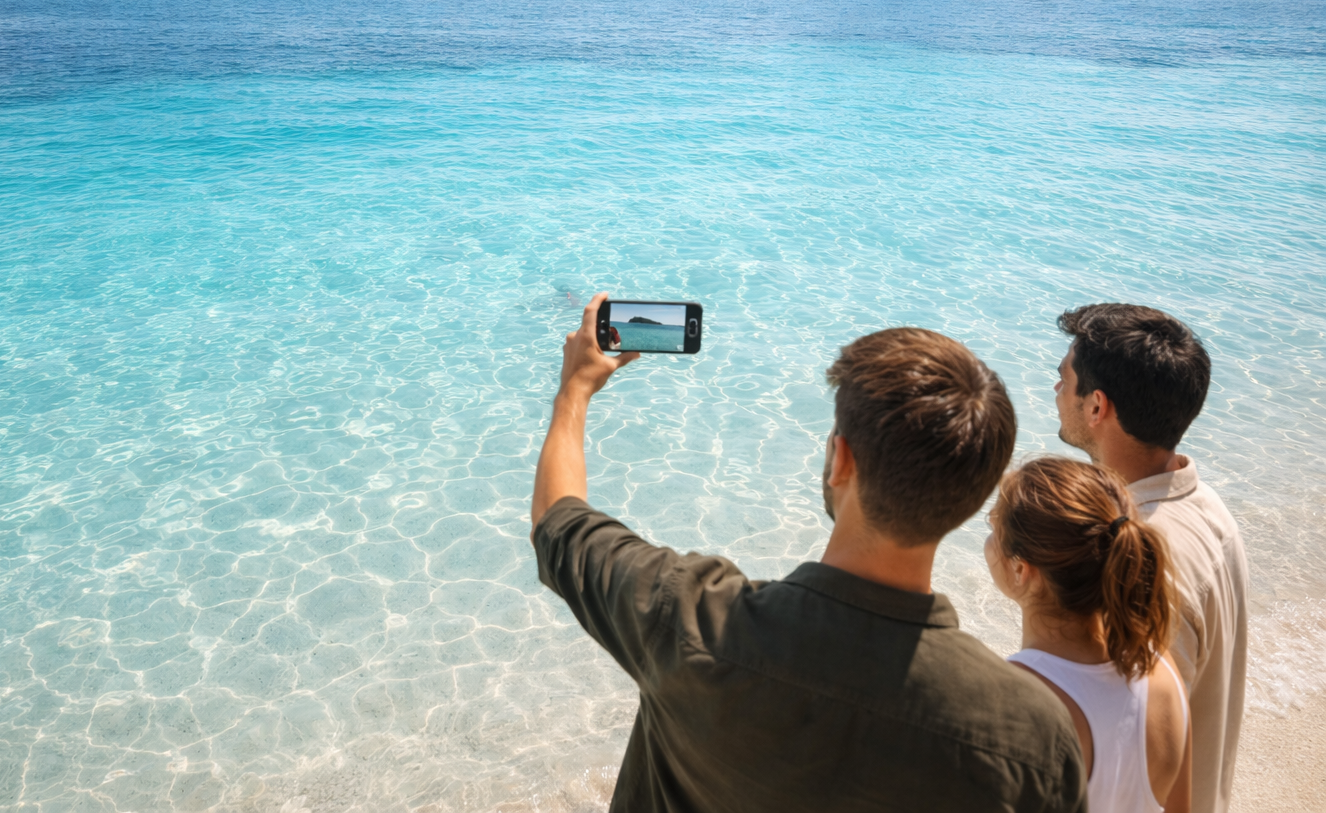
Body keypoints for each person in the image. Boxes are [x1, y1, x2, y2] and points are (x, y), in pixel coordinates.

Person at [530, 293, 1087, 813]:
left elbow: (559, 524)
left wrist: (574, 393)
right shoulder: (1033, 739)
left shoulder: (689, 617)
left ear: (840, 460)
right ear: (971, 499)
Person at [1053, 304, 1247, 813]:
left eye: (1063, 379)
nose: (1055, 391)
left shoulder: (1140, 552)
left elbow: (1136, 748)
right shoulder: (1206, 507)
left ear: (1097, 407)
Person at [986, 456, 1192, 813]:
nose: (988, 541)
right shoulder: (1160, 668)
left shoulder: (1013, 700)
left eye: (994, 528)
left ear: (1021, 569)